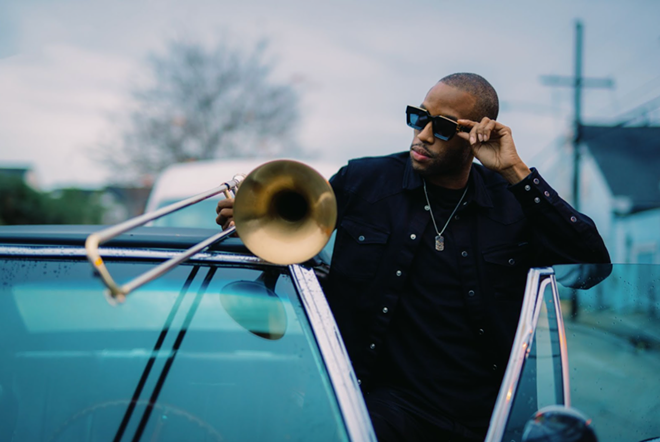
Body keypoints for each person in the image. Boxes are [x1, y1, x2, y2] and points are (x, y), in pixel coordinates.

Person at [217, 73, 610, 442]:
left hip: (488, 418)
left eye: (441, 126)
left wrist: (516, 172)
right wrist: (252, 222)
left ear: (477, 134)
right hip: (374, 410)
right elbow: (290, 238)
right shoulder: (362, 182)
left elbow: (592, 263)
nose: (422, 135)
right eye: (418, 117)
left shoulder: (513, 203)